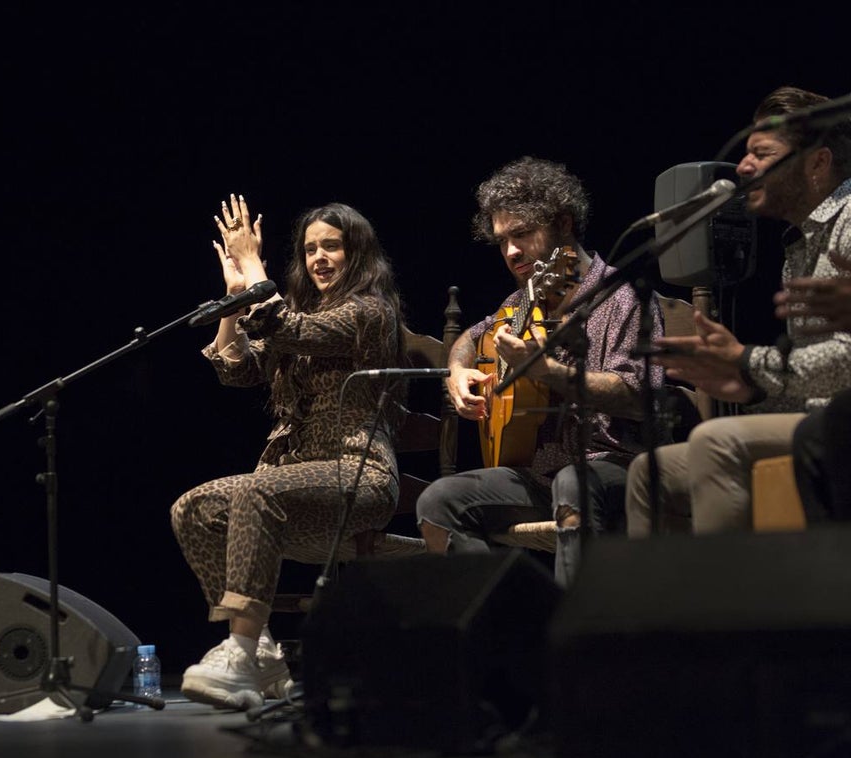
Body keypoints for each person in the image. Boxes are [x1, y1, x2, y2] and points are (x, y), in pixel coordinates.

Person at [170, 194, 409, 709]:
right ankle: (260, 650)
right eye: (309, 250)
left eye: (331, 247)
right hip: (294, 490)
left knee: (256, 490)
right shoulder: (293, 313)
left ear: (358, 254)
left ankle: (236, 648)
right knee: (194, 508)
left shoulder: (372, 313)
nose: (318, 258)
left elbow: (289, 330)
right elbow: (236, 369)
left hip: (358, 479)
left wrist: (255, 267)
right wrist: (235, 301)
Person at [625, 86, 851, 536]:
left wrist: (749, 364)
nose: (742, 168)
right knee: (648, 474)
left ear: (818, 163)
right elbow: (810, 379)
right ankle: (660, 605)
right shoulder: (798, 245)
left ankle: (735, 605)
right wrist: (751, 388)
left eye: (762, 154)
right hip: (819, 422)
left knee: (715, 442)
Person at [415, 157, 662, 587]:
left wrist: (547, 371)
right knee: (439, 501)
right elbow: (472, 337)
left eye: (522, 234)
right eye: (502, 240)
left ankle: (577, 635)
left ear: (563, 223)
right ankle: (502, 627)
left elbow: (639, 398)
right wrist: (456, 372)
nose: (510, 252)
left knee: (573, 482)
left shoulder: (621, 298)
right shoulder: (523, 302)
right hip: (540, 476)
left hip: (617, 466)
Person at [775, 252, 851, 521]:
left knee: (843, 415)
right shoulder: (794, 253)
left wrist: (748, 363)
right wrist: (752, 389)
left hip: (842, 404)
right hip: (818, 406)